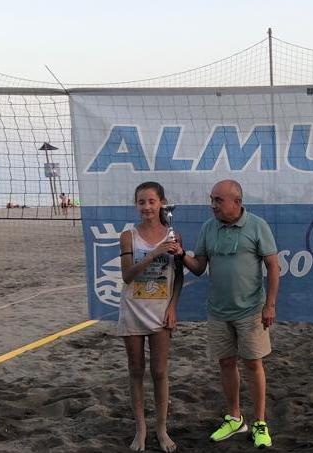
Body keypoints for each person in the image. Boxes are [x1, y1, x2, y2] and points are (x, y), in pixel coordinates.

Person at [173, 180, 279, 449]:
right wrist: (182, 254)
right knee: (226, 363)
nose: (213, 205)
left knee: (253, 364)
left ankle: (260, 423)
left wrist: (270, 305)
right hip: (218, 311)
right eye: (212, 199)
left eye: (218, 200)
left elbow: (273, 266)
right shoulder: (208, 227)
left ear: (237, 202)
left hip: (251, 310)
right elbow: (199, 267)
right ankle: (235, 418)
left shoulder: (258, 226)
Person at [118, 182, 184, 453]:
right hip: (133, 309)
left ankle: (161, 428)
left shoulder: (173, 235)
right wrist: (155, 253)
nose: (146, 207)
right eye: (141, 202)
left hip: (160, 311)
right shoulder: (128, 235)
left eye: (151, 201)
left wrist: (173, 307)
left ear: (162, 203)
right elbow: (127, 276)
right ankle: (141, 429)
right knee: (136, 370)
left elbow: (179, 276)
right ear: (136, 205)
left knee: (159, 372)